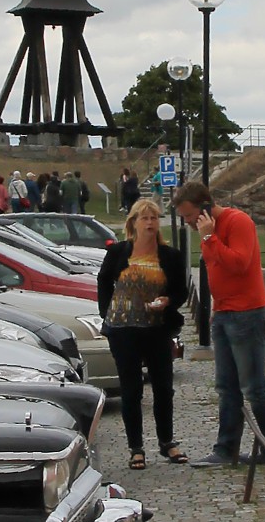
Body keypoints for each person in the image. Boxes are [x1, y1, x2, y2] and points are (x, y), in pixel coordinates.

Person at [173, 181, 265, 467]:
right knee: (226, 387)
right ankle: (226, 449)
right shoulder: (206, 230)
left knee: (253, 386)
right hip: (224, 314)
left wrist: (210, 238)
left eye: (188, 215)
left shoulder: (238, 222)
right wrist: (217, 309)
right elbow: (215, 271)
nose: (185, 222)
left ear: (205, 207)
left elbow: (239, 264)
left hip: (247, 314)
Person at [97, 199, 190, 470]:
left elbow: (180, 291)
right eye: (144, 218)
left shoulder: (170, 255)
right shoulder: (118, 252)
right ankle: (136, 448)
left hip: (157, 328)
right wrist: (107, 312)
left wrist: (167, 301)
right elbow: (103, 280)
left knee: (163, 387)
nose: (150, 223)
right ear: (133, 223)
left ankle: (167, 441)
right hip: (123, 329)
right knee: (131, 389)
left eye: (154, 218)